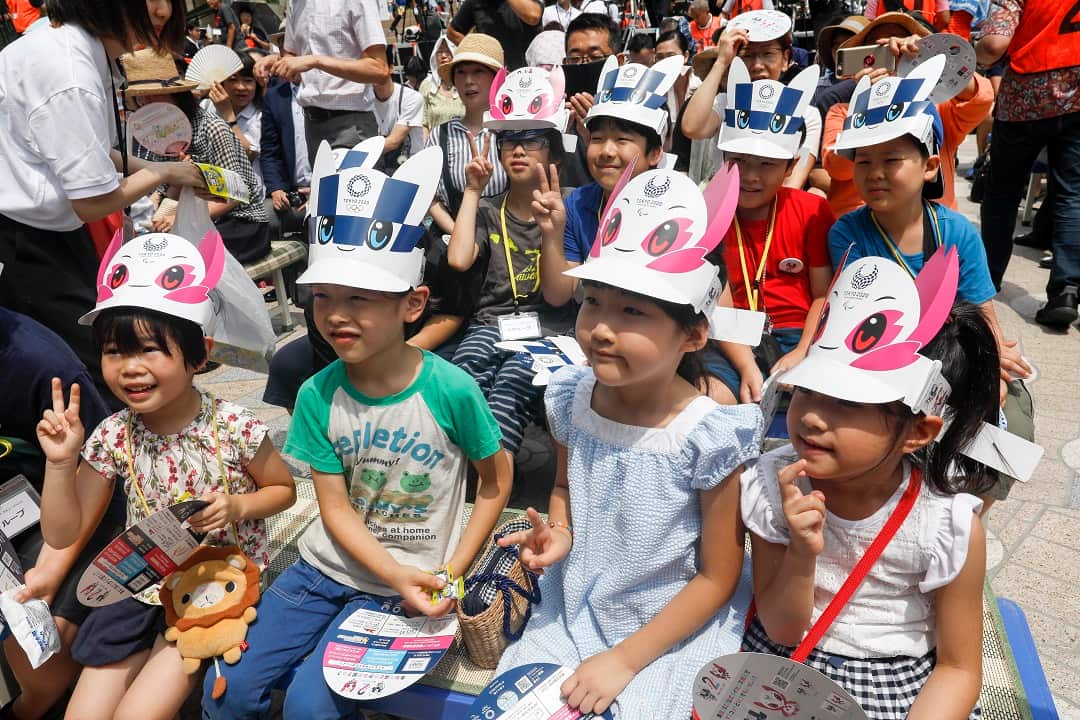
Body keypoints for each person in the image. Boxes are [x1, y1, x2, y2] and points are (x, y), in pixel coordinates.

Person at [202, 147, 513, 720]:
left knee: (309, 709)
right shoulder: (317, 394)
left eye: (359, 298)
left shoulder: (452, 390)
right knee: (226, 689)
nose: (336, 314)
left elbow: (495, 481)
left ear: (413, 304)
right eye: (323, 296)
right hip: (322, 570)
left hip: (407, 582)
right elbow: (335, 508)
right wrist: (390, 569)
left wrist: (452, 570)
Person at [495, 164, 761, 718]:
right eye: (593, 301)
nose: (600, 328)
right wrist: (559, 533)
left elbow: (718, 576)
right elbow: (564, 486)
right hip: (574, 601)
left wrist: (624, 659)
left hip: (669, 624)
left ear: (693, 334)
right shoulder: (571, 398)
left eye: (632, 311)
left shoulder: (709, 435)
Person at [35, 225, 296, 720]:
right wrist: (60, 463)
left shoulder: (234, 426)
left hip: (213, 585)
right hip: (138, 583)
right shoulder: (113, 434)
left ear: (200, 354)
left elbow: (283, 490)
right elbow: (62, 532)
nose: (130, 368)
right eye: (115, 351)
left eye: (150, 349)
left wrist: (238, 505)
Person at [739, 251, 993, 719]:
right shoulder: (775, 485)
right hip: (784, 662)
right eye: (808, 391)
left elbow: (958, 669)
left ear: (917, 432)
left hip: (895, 681)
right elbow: (781, 628)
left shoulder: (945, 526)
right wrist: (801, 551)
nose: (812, 417)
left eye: (848, 403)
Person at [826, 55, 1033, 467]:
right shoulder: (846, 234)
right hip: (880, 358)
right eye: (863, 161)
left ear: (930, 166)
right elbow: (856, 319)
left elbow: (982, 310)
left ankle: (975, 498)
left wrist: (991, 360)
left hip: (953, 349)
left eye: (891, 159)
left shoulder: (957, 232)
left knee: (1010, 408)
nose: (875, 173)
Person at [0, 0, 205, 408]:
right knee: (95, 372)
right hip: (28, 244)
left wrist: (162, 170)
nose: (162, 10)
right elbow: (92, 201)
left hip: (47, 235)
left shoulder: (63, 47)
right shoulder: (68, 70)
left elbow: (86, 151)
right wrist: (165, 173)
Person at [0, 308, 123, 720]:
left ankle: (31, 707)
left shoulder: (39, 363)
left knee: (37, 648)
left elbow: (100, 472)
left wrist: (52, 570)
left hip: (65, 506)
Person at [447, 67, 575, 460]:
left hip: (549, 329)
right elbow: (458, 258)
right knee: (463, 375)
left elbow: (560, 295)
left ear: (554, 153)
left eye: (531, 140)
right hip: (492, 323)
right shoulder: (488, 208)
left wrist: (553, 230)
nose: (518, 150)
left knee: (512, 384)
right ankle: (461, 470)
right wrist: (473, 189)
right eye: (508, 141)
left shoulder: (572, 204)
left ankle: (494, 482)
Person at [704, 59, 834, 399]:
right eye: (739, 161)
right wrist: (746, 364)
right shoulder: (709, 211)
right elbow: (717, 299)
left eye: (766, 164)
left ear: (791, 166)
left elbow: (823, 295)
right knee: (713, 395)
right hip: (728, 336)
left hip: (800, 335)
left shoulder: (811, 210)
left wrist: (803, 350)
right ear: (724, 157)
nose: (751, 176)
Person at [540, 55, 687, 308]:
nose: (607, 151)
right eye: (597, 139)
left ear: (655, 153)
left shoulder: (677, 208)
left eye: (622, 140)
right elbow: (558, 295)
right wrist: (551, 235)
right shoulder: (577, 203)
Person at [820, 15, 993, 218]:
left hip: (931, 224)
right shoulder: (841, 112)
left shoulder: (939, 109)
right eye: (880, 52)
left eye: (901, 52)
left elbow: (982, 98)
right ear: (863, 61)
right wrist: (866, 105)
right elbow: (837, 168)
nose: (893, 57)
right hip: (860, 226)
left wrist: (929, 57)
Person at [976, 0, 1080, 329]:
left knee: (1003, 192)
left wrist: (976, 51)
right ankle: (1066, 291)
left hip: (1026, 94)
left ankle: (986, 278)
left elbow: (994, 45)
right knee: (1072, 194)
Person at [122, 49, 271, 264]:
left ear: (176, 94)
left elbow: (237, 193)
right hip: (190, 219)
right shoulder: (160, 133)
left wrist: (180, 219)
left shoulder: (212, 127)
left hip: (241, 224)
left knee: (179, 256)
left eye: (153, 95)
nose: (145, 102)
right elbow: (170, 190)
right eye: (140, 97)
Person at [682, 10, 823, 190]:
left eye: (768, 54)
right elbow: (692, 128)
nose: (757, 65)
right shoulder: (726, 103)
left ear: (785, 59)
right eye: (747, 55)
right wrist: (721, 62)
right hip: (727, 203)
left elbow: (793, 183)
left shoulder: (806, 115)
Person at [253, 0, 389, 165]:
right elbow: (295, 60)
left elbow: (379, 70)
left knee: (353, 182)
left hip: (351, 123)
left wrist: (316, 61)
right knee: (323, 183)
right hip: (313, 126)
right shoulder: (295, 3)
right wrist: (277, 62)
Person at [426, 33, 507, 235]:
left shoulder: (514, 131)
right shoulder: (440, 135)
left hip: (509, 244)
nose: (468, 81)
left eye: (478, 71)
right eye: (461, 73)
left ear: (497, 79)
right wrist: (460, 235)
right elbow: (429, 196)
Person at [260, 76, 312, 239]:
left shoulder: (328, 91)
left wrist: (321, 191)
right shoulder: (275, 95)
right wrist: (276, 189)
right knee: (265, 216)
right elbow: (270, 150)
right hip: (292, 192)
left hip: (326, 191)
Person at [203, 49, 265, 181]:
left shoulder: (261, 115)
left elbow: (247, 154)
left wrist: (228, 115)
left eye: (248, 80)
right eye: (233, 80)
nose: (241, 87)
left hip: (246, 186)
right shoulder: (206, 106)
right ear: (221, 83)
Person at [447, 0, 543, 70]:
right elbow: (453, 32)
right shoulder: (476, 3)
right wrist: (477, 52)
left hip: (530, 71)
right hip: (495, 74)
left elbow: (533, 17)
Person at [372, 72, 426, 172]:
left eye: (377, 66)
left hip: (411, 167)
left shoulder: (411, 97)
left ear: (391, 68)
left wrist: (361, 152)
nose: (372, 72)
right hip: (379, 166)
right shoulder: (364, 100)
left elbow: (394, 142)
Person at [418, 33, 466, 134]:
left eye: (448, 51)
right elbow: (423, 124)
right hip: (436, 142)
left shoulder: (466, 85)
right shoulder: (427, 85)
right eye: (439, 51)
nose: (443, 56)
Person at [863, 0, 949, 30]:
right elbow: (944, 19)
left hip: (887, 44)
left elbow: (868, 22)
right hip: (921, 43)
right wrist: (926, 32)